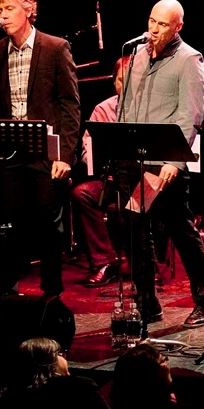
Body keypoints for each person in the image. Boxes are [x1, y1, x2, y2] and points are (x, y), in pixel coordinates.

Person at [115, 0, 204, 329]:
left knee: (179, 229)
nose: (154, 29)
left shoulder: (189, 60)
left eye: (162, 24)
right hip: (134, 160)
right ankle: (147, 302)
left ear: (178, 27)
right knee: (133, 227)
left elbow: (190, 115)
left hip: (163, 164)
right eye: (151, 21)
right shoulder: (137, 55)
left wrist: (174, 160)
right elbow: (126, 105)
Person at [0, 0, 81, 299]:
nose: (3, 15)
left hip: (46, 152)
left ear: (28, 9)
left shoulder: (55, 47)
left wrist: (64, 155)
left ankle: (52, 294)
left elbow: (69, 104)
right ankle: (7, 293)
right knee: (8, 222)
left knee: (48, 223)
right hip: (11, 151)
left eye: (9, 8)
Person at [74, 54, 134, 286]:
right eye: (120, 81)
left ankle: (146, 262)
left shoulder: (152, 106)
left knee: (137, 204)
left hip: (143, 180)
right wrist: (95, 157)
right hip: (112, 179)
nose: (125, 87)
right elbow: (86, 151)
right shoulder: (103, 109)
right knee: (82, 193)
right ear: (113, 81)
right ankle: (105, 261)